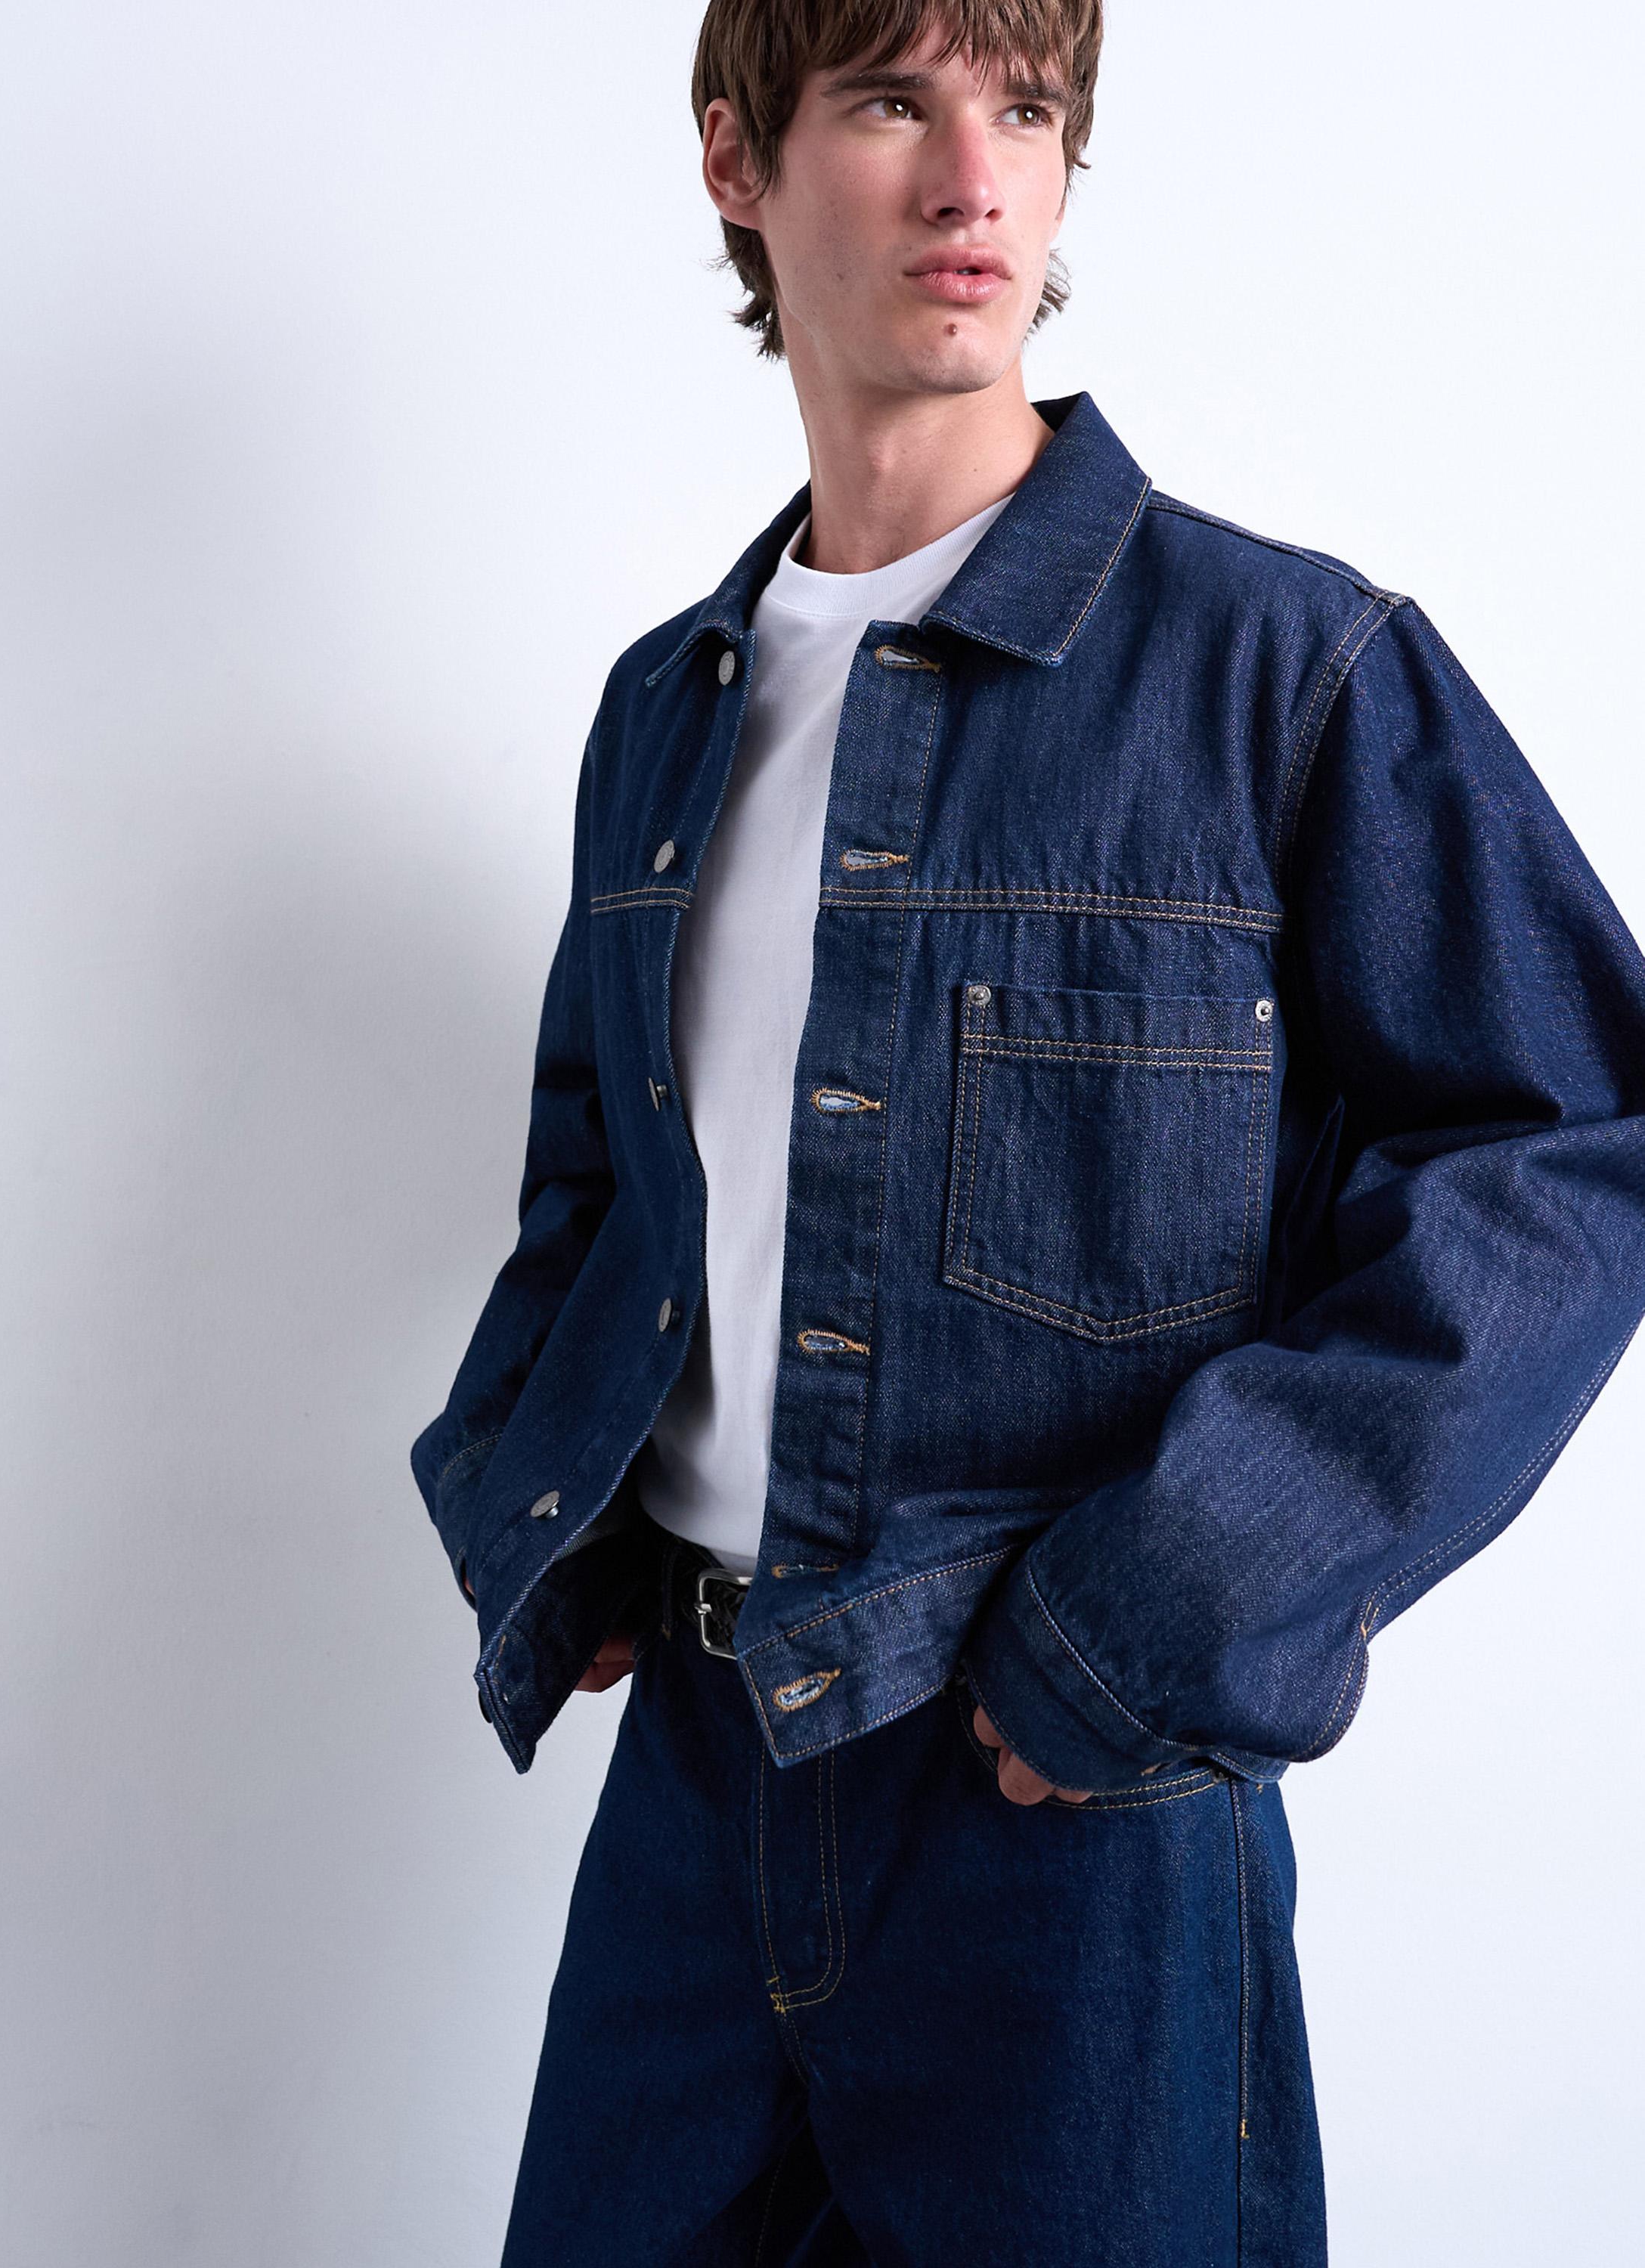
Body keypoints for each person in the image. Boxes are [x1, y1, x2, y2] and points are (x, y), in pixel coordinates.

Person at [409, 3, 1645, 2259]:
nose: (973, 177)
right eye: (892, 101)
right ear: (737, 161)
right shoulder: (661, 712)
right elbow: (598, 1172)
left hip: (1067, 1800)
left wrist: (1173, 1608)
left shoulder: (1283, 667)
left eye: (1027, 109)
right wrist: (543, 1501)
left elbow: (1566, 1149)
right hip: (697, 1778)